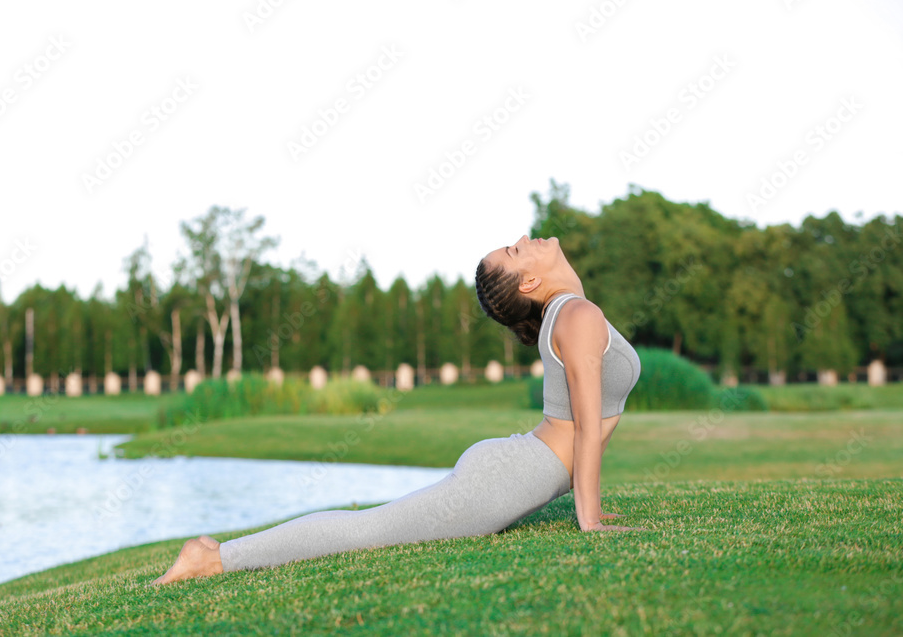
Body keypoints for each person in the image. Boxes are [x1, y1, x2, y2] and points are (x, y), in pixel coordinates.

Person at [151, 234, 643, 586]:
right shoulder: (577, 314)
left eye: (513, 247)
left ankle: (216, 552)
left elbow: (584, 424)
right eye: (514, 251)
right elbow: (585, 425)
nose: (522, 240)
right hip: (508, 479)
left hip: (517, 469)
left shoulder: (572, 312)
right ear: (530, 281)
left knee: (373, 524)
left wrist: (591, 507)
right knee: (370, 530)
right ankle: (212, 558)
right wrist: (589, 518)